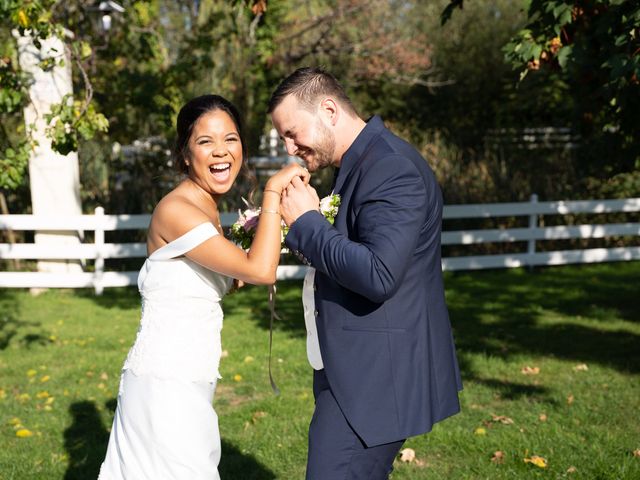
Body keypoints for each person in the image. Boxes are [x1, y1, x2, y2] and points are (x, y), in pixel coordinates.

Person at [98, 94, 308, 480]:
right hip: (165, 384)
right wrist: (275, 192)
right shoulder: (177, 210)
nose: (221, 151)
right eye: (205, 141)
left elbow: (218, 280)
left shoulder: (207, 208)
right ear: (184, 153)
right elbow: (262, 271)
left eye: (230, 139)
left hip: (191, 376)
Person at [269, 67, 463, 479]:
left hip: (376, 380)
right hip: (354, 370)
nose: (289, 148)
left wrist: (306, 223)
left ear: (328, 110)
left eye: (292, 132)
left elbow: (378, 274)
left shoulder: (389, 168)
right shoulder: (359, 164)